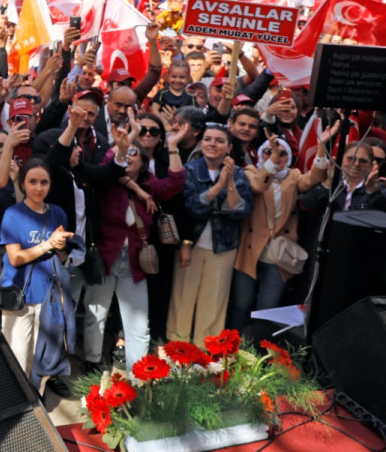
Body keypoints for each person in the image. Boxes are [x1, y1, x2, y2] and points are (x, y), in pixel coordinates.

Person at [81, 125, 185, 372]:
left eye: (133, 155)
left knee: (138, 324)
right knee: (96, 314)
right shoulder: (108, 182)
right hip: (105, 258)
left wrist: (172, 146)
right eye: (124, 154)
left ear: (144, 163)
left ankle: (137, 373)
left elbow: (175, 182)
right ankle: (92, 362)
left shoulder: (151, 186)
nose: (127, 158)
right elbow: (109, 162)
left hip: (135, 264)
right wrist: (125, 142)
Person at [228, 138, 328, 333]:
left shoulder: (293, 175)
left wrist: (321, 147)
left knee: (268, 307)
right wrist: (271, 161)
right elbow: (258, 186)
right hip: (250, 248)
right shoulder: (251, 172)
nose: (276, 156)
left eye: (282, 153)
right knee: (242, 302)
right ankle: (230, 346)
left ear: (289, 157)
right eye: (269, 151)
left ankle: (259, 351)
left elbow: (314, 177)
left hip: (279, 251)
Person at [168, 125, 252, 346]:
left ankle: (206, 353)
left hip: (223, 246)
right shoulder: (190, 170)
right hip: (191, 245)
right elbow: (191, 208)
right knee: (183, 299)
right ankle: (177, 351)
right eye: (207, 139)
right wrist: (217, 188)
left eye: (219, 140)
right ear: (201, 143)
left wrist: (230, 182)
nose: (212, 144)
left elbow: (239, 211)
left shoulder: (240, 174)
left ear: (229, 147)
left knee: (213, 302)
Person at [0, 158, 75, 394]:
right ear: (23, 184)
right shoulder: (13, 214)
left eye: (44, 182)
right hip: (18, 295)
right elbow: (15, 257)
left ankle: (34, 403)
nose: (39, 188)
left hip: (48, 296)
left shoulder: (58, 214)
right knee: (17, 355)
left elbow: (60, 256)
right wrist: (48, 244)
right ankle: (15, 404)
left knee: (40, 358)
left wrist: (61, 247)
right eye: (33, 182)